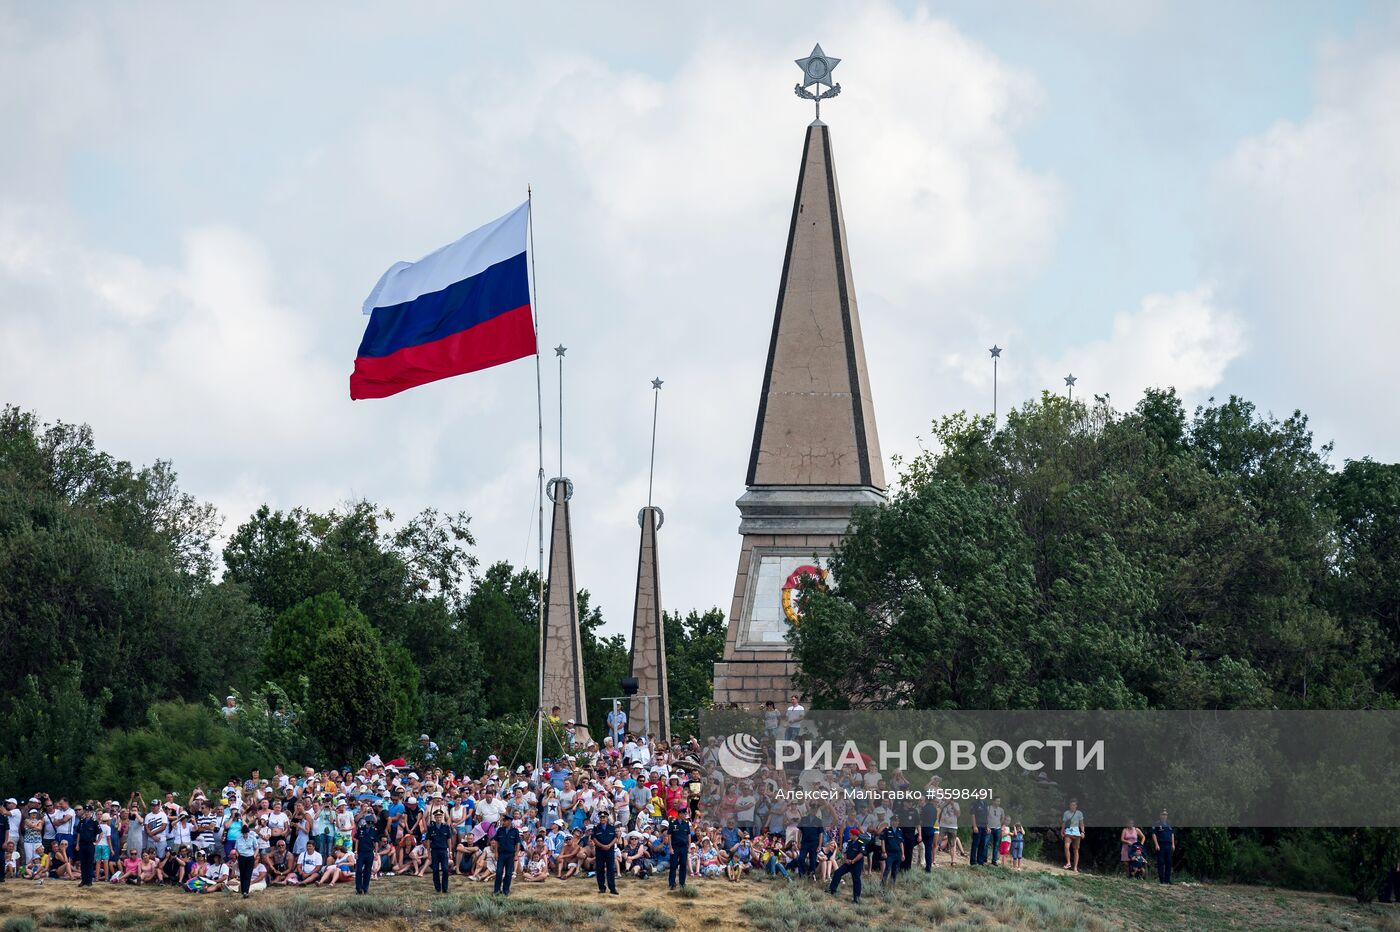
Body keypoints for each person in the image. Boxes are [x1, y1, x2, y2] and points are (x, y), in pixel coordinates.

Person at [827, 831, 864, 904]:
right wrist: (845, 859)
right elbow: (846, 852)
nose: (849, 836)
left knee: (856, 879)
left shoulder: (861, 843)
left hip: (856, 864)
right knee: (837, 872)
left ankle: (856, 898)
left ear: (855, 835)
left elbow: (861, 854)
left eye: (851, 835)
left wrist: (853, 861)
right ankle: (832, 890)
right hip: (848, 863)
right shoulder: (850, 842)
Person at [592, 810, 619, 895]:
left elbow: (615, 837)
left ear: (607, 818)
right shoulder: (596, 828)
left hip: (610, 851)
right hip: (600, 851)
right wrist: (602, 846)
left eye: (604, 817)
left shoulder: (612, 827)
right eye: (601, 817)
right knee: (600, 870)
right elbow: (594, 839)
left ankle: (612, 888)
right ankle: (602, 888)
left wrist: (609, 845)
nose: (602, 819)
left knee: (610, 870)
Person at [425, 809, 452, 893]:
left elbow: (449, 839)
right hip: (435, 851)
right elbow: (428, 840)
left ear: (442, 817)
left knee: (445, 869)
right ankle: (437, 888)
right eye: (437, 817)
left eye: (440, 817)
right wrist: (428, 852)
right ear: (434, 817)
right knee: (435, 869)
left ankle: (445, 888)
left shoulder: (446, 827)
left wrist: (450, 851)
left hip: (444, 850)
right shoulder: (430, 828)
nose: (439, 818)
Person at [494, 818, 522, 895]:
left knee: (508, 873)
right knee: (499, 872)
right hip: (501, 854)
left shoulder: (515, 831)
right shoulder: (500, 830)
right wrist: (496, 852)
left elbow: (518, 843)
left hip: (510, 854)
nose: (503, 822)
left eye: (504, 821)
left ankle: (506, 890)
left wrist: (516, 855)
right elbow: (496, 842)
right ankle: (496, 890)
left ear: (509, 821)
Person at [353, 811, 378, 894]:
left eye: (370, 823)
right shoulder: (361, 829)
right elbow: (357, 840)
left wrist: (376, 853)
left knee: (367, 871)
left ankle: (365, 888)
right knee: (359, 870)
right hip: (361, 852)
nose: (369, 824)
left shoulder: (374, 830)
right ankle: (358, 888)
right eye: (368, 823)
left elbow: (376, 842)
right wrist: (356, 851)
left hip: (369, 852)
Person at [75, 805, 100, 887]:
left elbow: (101, 833)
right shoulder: (81, 821)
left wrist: (96, 842)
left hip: (90, 844)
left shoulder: (94, 822)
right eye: (86, 811)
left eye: (88, 811)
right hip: (82, 844)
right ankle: (83, 880)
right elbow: (78, 833)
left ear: (91, 812)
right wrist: (77, 844)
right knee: (83, 863)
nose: (87, 813)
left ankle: (89, 881)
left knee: (89, 863)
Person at [234, 818, 259, 898]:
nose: (245, 835)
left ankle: (246, 891)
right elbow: (236, 849)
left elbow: (257, 848)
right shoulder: (239, 839)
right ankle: (243, 890)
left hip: (250, 857)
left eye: (246, 833)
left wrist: (254, 856)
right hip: (242, 857)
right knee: (242, 874)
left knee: (248, 874)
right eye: (244, 833)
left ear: (248, 832)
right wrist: (238, 855)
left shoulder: (252, 838)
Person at [1150, 809, 1175, 884]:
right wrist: (1156, 844)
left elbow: (1172, 834)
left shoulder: (1169, 823)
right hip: (1161, 845)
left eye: (1166, 814)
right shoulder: (1157, 823)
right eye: (1163, 814)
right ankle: (1162, 880)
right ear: (1160, 815)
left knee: (1169, 862)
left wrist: (1173, 844)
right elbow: (1153, 834)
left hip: (1169, 844)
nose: (1164, 816)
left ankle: (1167, 879)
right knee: (1161, 862)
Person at [668, 815, 693, 889]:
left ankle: (682, 883)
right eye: (683, 814)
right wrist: (670, 848)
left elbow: (688, 835)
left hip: (683, 847)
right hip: (675, 847)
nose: (684, 815)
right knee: (673, 865)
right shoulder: (672, 822)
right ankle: (672, 883)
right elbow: (669, 836)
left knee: (683, 865)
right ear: (679, 814)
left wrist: (689, 847)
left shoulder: (686, 823)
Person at [1062, 799, 1084, 872]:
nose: (1072, 806)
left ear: (1076, 806)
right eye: (1071, 805)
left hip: (1077, 833)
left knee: (1076, 850)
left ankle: (1075, 867)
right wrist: (1062, 831)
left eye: (1074, 805)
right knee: (1066, 846)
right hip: (1068, 832)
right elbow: (1064, 823)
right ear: (1069, 805)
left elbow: (1081, 823)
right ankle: (1068, 863)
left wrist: (1083, 832)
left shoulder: (1079, 813)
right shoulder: (1066, 813)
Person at [986, 797, 1005, 866]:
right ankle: (984, 858)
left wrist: (999, 824)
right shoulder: (988, 808)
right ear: (993, 801)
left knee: (996, 845)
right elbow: (984, 817)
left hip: (997, 829)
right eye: (997, 801)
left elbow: (1003, 817)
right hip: (989, 828)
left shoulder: (1001, 810)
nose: (998, 803)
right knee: (986, 843)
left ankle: (994, 860)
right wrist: (987, 826)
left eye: (999, 801)